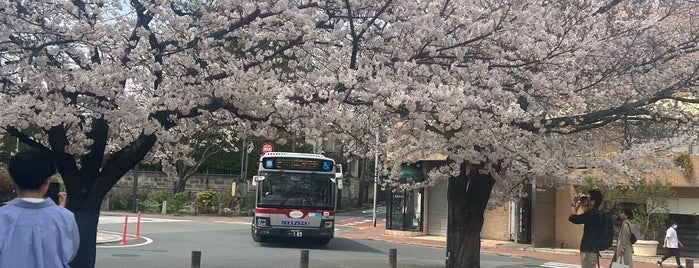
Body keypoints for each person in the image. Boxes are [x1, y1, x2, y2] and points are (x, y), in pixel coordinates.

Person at [0, 150, 80, 268]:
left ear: (14, 180)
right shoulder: (66, 217)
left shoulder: (2, 216)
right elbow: (70, 254)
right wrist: (59, 213)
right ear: (47, 181)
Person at [569, 189, 605, 268]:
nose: (585, 200)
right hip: (590, 250)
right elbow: (575, 218)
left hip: (589, 251)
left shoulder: (593, 214)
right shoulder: (595, 213)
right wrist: (578, 204)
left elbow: (573, 218)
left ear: (593, 202)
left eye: (587, 198)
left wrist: (574, 204)